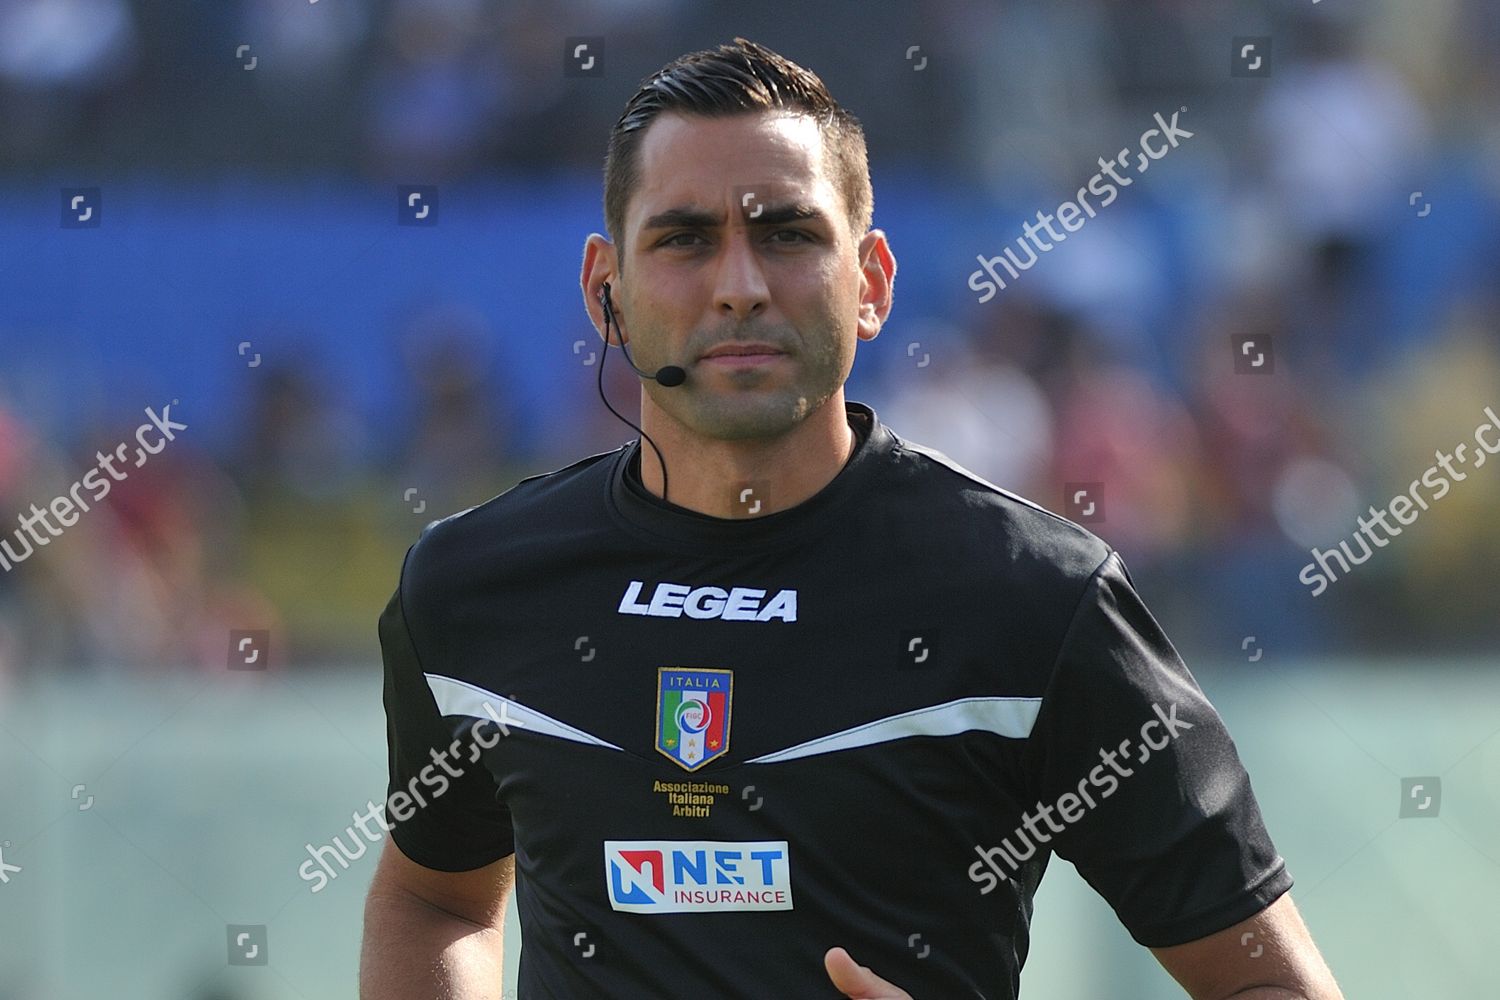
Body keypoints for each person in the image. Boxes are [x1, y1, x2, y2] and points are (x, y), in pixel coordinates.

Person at [359, 38, 1344, 1000]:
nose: (739, 285)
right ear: (604, 290)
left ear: (869, 282)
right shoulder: (473, 588)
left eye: (787, 233)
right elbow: (433, 897)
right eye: (684, 237)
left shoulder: (1037, 598)